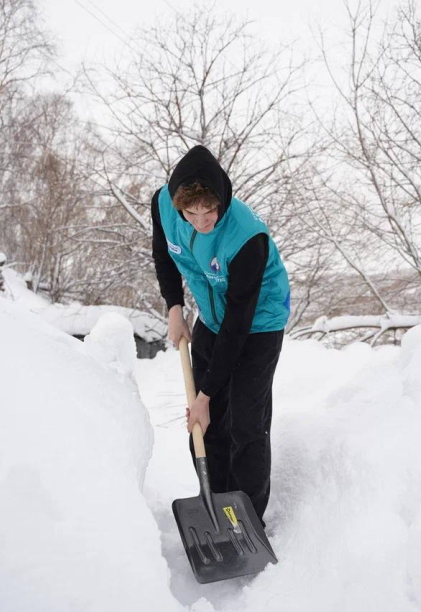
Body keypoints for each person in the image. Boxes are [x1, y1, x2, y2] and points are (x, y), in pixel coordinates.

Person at [151, 145, 290, 521]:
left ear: (222, 200)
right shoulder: (164, 205)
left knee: (246, 423)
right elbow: (164, 255)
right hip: (211, 319)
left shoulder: (247, 238)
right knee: (206, 423)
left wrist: (207, 393)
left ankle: (248, 518)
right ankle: (217, 504)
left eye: (209, 210)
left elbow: (239, 321)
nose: (200, 221)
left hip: (257, 323)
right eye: (191, 212)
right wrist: (175, 308)